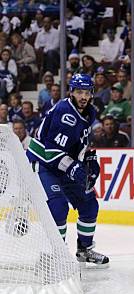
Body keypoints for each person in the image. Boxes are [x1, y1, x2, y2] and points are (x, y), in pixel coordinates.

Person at [25, 74, 109, 266]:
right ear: (71, 92)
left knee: (89, 204)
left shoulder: (89, 112)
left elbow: (77, 142)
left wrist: (89, 157)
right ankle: (56, 256)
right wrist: (74, 169)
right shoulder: (65, 114)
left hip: (62, 163)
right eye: (79, 92)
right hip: (43, 164)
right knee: (58, 207)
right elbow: (51, 152)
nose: (83, 96)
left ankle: (84, 250)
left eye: (86, 92)